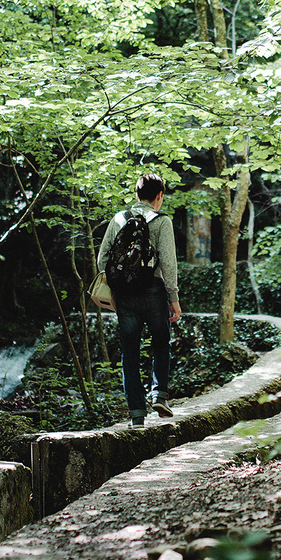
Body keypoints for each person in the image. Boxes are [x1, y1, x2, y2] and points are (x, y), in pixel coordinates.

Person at [97, 174, 182, 429]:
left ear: (136, 195)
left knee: (130, 353)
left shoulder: (118, 219)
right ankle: (159, 395)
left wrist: (115, 288)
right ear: (159, 197)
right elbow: (168, 263)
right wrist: (174, 298)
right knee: (160, 344)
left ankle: (136, 414)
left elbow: (102, 260)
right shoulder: (162, 222)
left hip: (125, 296)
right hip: (154, 292)